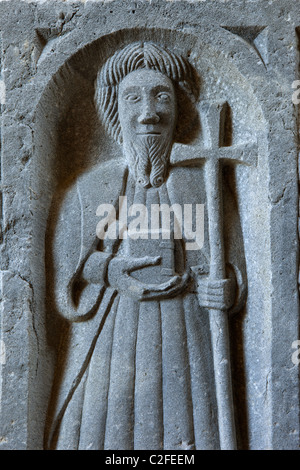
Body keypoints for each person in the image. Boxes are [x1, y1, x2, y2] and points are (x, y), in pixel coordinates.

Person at [46, 42, 246, 450]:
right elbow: (69, 263)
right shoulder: (91, 188)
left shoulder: (201, 185)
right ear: (114, 111)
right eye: (133, 98)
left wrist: (226, 288)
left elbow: (235, 267)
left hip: (186, 332)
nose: (149, 112)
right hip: (111, 331)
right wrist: (109, 271)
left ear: (178, 110)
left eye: (161, 96)